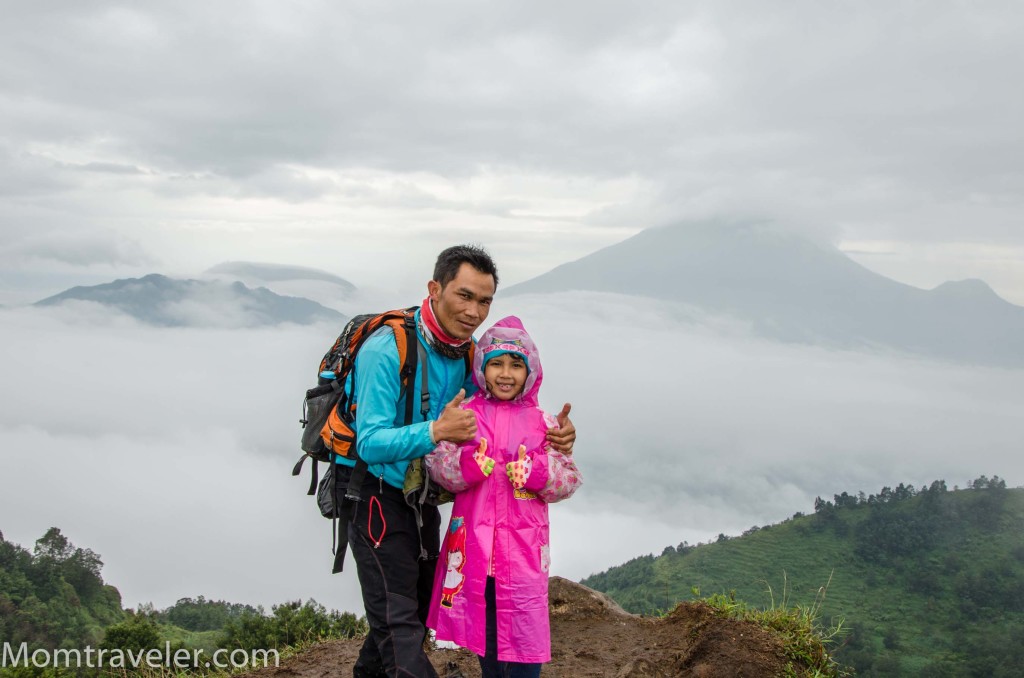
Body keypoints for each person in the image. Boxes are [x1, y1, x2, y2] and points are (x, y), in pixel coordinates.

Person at [336, 245, 577, 678]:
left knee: (412, 598)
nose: (473, 311)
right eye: (464, 296)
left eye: (484, 301)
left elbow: (495, 411)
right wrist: (436, 433)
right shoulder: (386, 351)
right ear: (435, 288)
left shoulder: (468, 352)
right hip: (370, 486)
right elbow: (368, 442)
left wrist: (557, 441)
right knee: (399, 620)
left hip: (419, 491)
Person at [426, 316, 583, 678]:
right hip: (475, 549)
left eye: (516, 364)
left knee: (527, 644)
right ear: (482, 367)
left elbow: (569, 478)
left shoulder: (545, 423)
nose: (506, 373)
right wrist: (467, 465)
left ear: (531, 371)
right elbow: (437, 463)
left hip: (523, 551)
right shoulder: (466, 416)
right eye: (496, 363)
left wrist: (537, 473)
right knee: (486, 640)